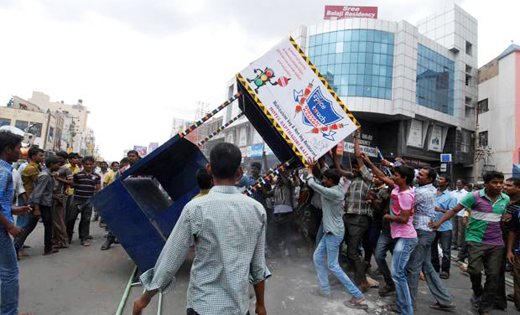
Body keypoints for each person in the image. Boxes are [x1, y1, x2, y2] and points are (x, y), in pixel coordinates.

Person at [133, 143, 270, 315]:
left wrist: (144, 299)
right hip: (239, 308)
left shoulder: (195, 208)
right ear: (239, 173)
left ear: (209, 169)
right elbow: (258, 266)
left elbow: (170, 260)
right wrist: (260, 305)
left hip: (203, 306)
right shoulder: (257, 210)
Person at [432, 171, 509, 315]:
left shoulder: (505, 199)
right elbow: (454, 210)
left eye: (501, 182)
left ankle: (485, 306)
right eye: (494, 182)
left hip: (496, 243)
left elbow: (502, 217)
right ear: (485, 184)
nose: (499, 185)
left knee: (493, 276)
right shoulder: (474, 196)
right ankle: (478, 293)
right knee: (474, 271)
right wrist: (438, 223)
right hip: (475, 240)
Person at [305, 159, 367, 309]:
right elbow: (335, 173)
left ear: (331, 181)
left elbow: (312, 184)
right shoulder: (341, 184)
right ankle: (324, 289)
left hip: (334, 233)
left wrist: (309, 170)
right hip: (331, 231)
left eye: (325, 179)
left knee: (333, 265)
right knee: (318, 257)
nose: (324, 180)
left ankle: (357, 295)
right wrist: (323, 161)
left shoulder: (332, 192)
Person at [405, 167, 454, 312]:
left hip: (422, 233)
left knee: (412, 269)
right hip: (427, 232)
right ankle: (445, 300)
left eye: (421, 175)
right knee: (427, 267)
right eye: (418, 173)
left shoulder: (421, 192)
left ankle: (408, 306)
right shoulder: (431, 189)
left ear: (429, 179)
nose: (418, 176)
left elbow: (405, 205)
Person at [0, 131, 32, 315]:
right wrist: (9, 225)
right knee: (10, 273)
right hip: (2, 229)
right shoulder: (3, 172)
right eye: (18, 148)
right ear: (7, 149)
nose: (21, 151)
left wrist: (13, 210)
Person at [342, 131, 373, 291]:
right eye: (353, 167)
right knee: (349, 250)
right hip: (348, 218)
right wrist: (333, 152)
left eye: (356, 167)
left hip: (359, 220)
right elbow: (338, 170)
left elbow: (359, 157)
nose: (354, 169)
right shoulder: (352, 179)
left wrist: (356, 138)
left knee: (353, 252)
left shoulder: (368, 179)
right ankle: (355, 276)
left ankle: (362, 282)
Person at [361, 155, 394, 297]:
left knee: (395, 255)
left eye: (378, 177)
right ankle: (388, 280)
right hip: (379, 223)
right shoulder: (378, 189)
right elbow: (378, 209)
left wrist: (373, 200)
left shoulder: (392, 191)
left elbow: (381, 210)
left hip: (393, 227)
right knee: (374, 248)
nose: (375, 178)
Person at [26, 157, 61, 255]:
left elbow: (45, 192)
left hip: (42, 203)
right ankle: (48, 248)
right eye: (57, 164)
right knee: (47, 226)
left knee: (30, 226)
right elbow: (38, 192)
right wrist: (37, 208)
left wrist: (55, 197)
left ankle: (16, 247)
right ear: (52, 165)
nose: (58, 166)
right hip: (42, 204)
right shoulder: (45, 176)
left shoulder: (47, 175)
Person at [14, 147, 44, 255]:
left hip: (28, 196)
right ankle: (17, 247)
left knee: (25, 222)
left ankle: (20, 244)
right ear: (33, 156)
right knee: (24, 222)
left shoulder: (36, 167)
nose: (42, 157)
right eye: (40, 155)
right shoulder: (30, 168)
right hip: (27, 196)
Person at [67, 156, 101, 247]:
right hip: (76, 200)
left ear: (93, 164)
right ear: (83, 164)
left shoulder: (96, 176)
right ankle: (68, 237)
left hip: (88, 201)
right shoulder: (77, 175)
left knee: (85, 220)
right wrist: (70, 183)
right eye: (87, 164)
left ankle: (84, 238)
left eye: (91, 164)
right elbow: (72, 186)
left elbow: (98, 188)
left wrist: (95, 197)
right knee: (71, 219)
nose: (89, 166)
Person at [432, 174, 457, 279]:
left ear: (446, 183)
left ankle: (445, 270)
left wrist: (441, 210)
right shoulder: (433, 192)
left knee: (446, 250)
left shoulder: (451, 196)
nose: (438, 180)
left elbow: (453, 212)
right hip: (432, 225)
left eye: (441, 179)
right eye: (438, 178)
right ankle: (435, 267)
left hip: (445, 227)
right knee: (432, 248)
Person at [52, 151, 73, 249]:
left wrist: (58, 179)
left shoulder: (66, 169)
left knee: (59, 219)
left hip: (60, 196)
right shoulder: (56, 167)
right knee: (54, 219)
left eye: (60, 158)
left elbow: (71, 183)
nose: (58, 160)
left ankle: (63, 241)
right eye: (57, 158)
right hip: (53, 196)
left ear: (65, 159)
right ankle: (55, 240)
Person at [506, 177, 520, 311]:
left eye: (508, 185)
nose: (504, 187)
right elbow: (513, 231)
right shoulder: (504, 200)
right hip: (515, 248)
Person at [452, 179, 469, 250]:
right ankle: (454, 244)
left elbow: (467, 205)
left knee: (461, 231)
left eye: (459, 183)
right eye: (457, 182)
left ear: (463, 184)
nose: (458, 184)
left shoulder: (466, 193)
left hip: (462, 214)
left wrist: (466, 215)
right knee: (454, 229)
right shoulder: (453, 192)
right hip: (454, 213)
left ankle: (460, 245)